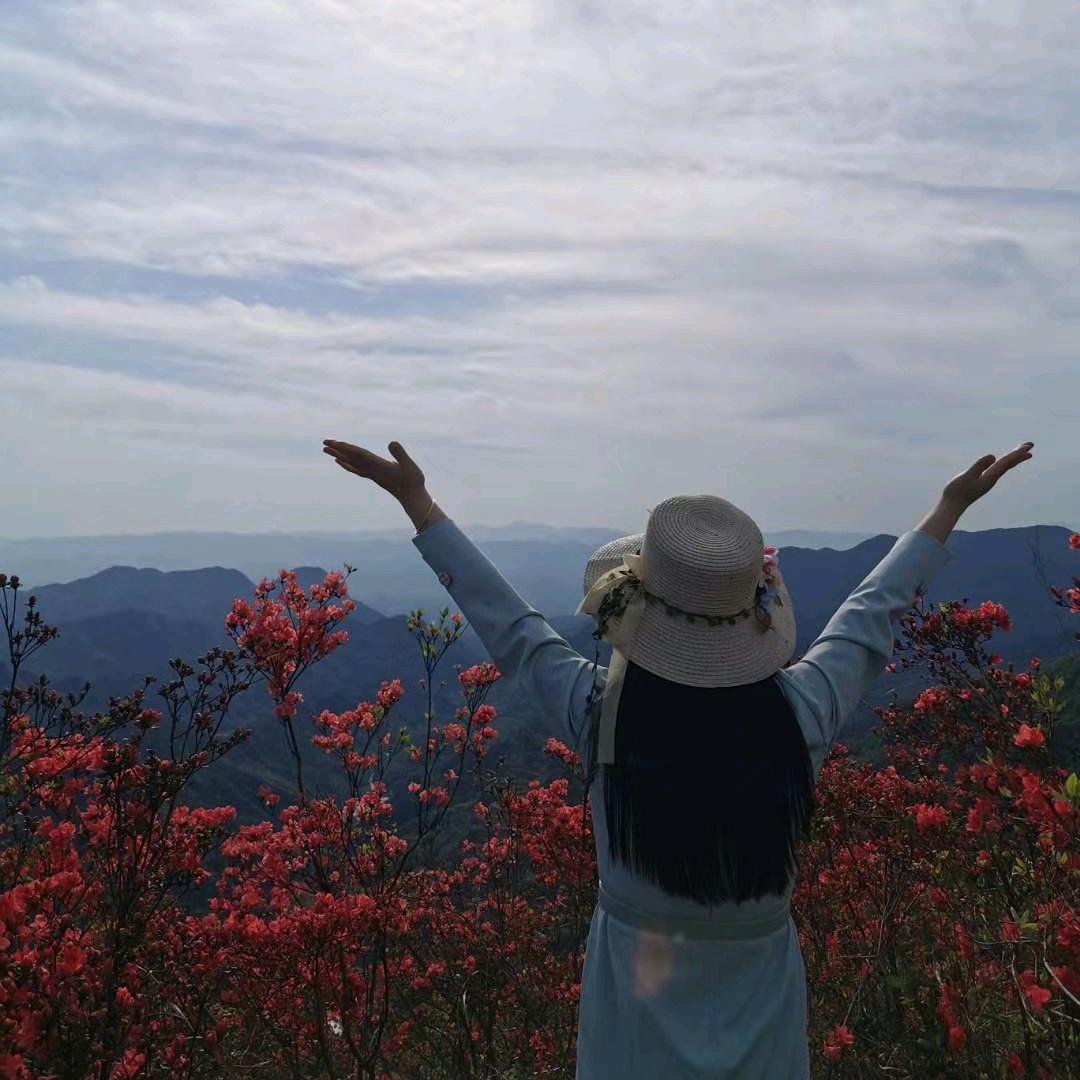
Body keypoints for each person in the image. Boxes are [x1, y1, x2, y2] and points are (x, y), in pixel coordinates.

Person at [321, 437, 1035, 1079]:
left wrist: (419, 504)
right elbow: (871, 616)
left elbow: (512, 630)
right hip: (765, 1013)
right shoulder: (801, 716)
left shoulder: (606, 720)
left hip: (629, 1023)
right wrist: (947, 510)